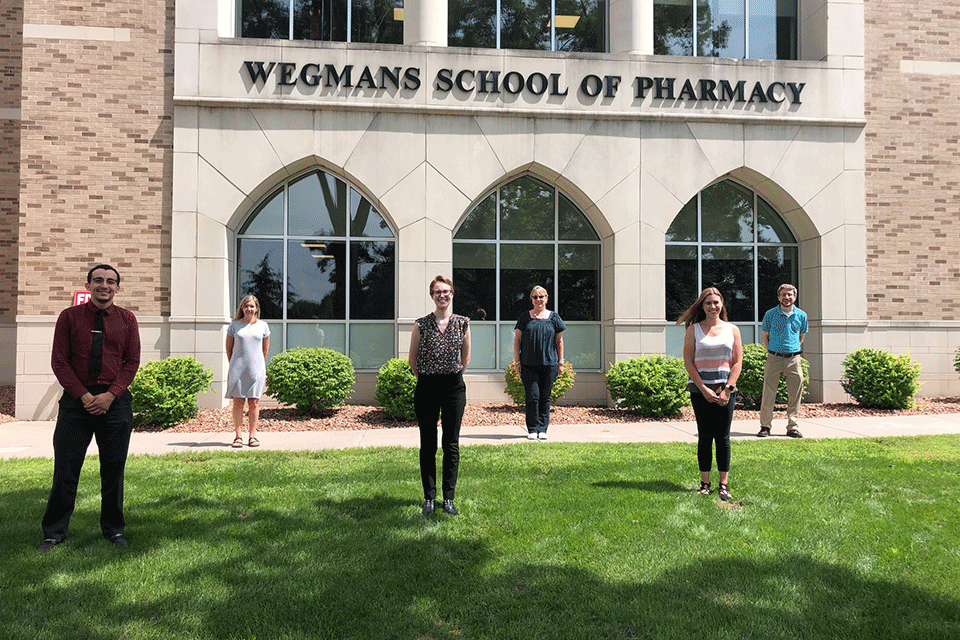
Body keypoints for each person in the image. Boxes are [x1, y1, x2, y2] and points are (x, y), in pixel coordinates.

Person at [39, 265, 141, 551]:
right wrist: (83, 396)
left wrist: (111, 395)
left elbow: (131, 362)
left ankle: (114, 530)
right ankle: (54, 533)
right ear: (88, 285)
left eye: (110, 281)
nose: (104, 285)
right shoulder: (69, 318)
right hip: (75, 403)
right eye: (98, 280)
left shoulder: (127, 320)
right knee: (66, 470)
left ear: (118, 288)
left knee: (113, 470)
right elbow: (60, 361)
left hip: (115, 404)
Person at [408, 276, 471, 516]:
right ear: (432, 296)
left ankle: (449, 499)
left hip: (454, 387)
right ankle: (429, 498)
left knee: (451, 444)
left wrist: (450, 376)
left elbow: (465, 359)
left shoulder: (463, 323)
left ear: (452, 294)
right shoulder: (421, 324)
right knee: (428, 444)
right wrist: (430, 377)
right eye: (437, 292)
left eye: (445, 291)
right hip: (427, 387)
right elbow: (412, 361)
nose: (441, 295)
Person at [679, 287, 742, 502]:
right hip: (700, 390)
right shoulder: (693, 330)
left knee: (723, 437)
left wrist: (728, 389)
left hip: (726, 390)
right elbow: (688, 362)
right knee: (705, 437)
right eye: (708, 303)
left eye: (716, 302)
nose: (713, 306)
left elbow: (737, 362)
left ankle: (723, 484)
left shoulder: (732, 329)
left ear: (722, 304)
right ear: (702, 306)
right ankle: (705, 483)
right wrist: (704, 389)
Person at [513, 285, 566, 441]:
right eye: (535, 297)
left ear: (546, 298)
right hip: (529, 364)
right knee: (532, 396)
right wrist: (517, 362)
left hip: (549, 364)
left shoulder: (554, 317)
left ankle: (543, 429)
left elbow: (559, 341)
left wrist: (560, 362)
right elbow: (517, 340)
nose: (538, 300)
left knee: (545, 396)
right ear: (532, 299)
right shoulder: (525, 317)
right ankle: (533, 429)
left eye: (541, 296)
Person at [758, 283, 808, 438]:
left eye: (790, 294)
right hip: (774, 358)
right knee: (768, 393)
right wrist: (772, 351)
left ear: (795, 297)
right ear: (779, 297)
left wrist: (791, 350)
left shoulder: (802, 315)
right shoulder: (770, 314)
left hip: (794, 359)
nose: (787, 297)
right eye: (783, 295)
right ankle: (765, 426)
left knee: (795, 394)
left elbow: (801, 337)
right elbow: (765, 336)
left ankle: (792, 426)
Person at [225, 295, 271, 448]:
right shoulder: (234, 326)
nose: (249, 309)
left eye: (252, 306)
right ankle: (238, 437)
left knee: (254, 402)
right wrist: (235, 364)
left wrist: (257, 365)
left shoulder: (263, 326)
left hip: (256, 370)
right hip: (237, 369)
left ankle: (252, 436)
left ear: (256, 308)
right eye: (246, 306)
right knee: (238, 402)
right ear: (242, 308)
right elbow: (229, 349)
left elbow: (264, 350)